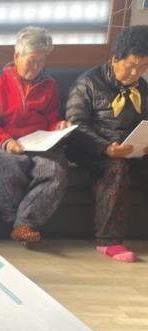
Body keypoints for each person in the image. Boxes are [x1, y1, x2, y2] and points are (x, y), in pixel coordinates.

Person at [0, 26, 70, 246]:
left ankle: (22, 225)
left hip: (40, 144)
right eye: (32, 61)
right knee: (7, 166)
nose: (37, 67)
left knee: (55, 172)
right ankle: (19, 224)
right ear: (16, 56)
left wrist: (59, 125)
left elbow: (51, 118)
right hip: (6, 143)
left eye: (42, 62)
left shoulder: (49, 85)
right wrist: (6, 141)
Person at [66, 25, 148, 262]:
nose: (135, 72)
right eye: (131, 65)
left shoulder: (142, 88)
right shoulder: (87, 83)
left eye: (143, 67)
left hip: (129, 149)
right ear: (115, 59)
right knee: (116, 169)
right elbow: (75, 126)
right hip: (90, 150)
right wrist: (106, 148)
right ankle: (108, 242)